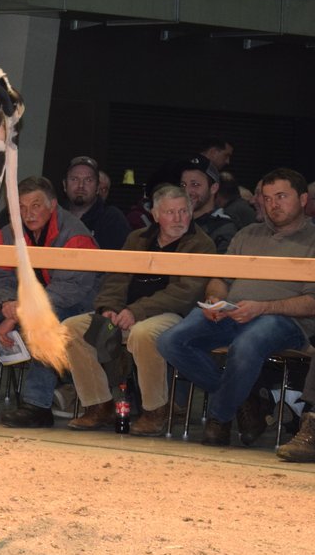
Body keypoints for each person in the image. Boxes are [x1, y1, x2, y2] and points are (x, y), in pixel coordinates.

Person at [158, 167, 315, 447]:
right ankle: (245, 398)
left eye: (281, 196)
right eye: (266, 198)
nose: (273, 205)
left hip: (284, 321)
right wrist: (213, 300)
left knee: (246, 345)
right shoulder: (247, 234)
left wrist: (261, 308)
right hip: (230, 311)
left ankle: (219, 418)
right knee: (171, 340)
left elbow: (311, 303)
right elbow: (220, 277)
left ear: (303, 199)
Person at [61, 184, 214, 434]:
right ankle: (99, 405)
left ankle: (155, 411)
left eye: (183, 211)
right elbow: (116, 278)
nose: (178, 218)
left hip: (174, 315)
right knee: (71, 328)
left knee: (144, 333)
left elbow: (187, 292)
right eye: (170, 212)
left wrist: (137, 311)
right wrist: (109, 307)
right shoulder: (138, 238)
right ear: (155, 215)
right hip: (124, 313)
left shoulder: (201, 243)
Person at [0, 176, 102, 428]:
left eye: (36, 205)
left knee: (48, 317)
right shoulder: (8, 233)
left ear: (52, 205)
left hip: (74, 306)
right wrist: (7, 303)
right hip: (23, 304)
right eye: (21, 207)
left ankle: (37, 405)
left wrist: (17, 314)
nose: (28, 213)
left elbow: (70, 289)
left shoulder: (74, 234)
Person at [62, 155, 131, 250]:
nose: (81, 185)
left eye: (88, 180)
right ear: (65, 185)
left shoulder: (112, 219)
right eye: (74, 179)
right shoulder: (54, 216)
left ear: (98, 187)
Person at [180, 154, 236, 253]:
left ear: (213, 188)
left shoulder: (224, 228)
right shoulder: (174, 221)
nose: (187, 191)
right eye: (183, 185)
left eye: (195, 185)